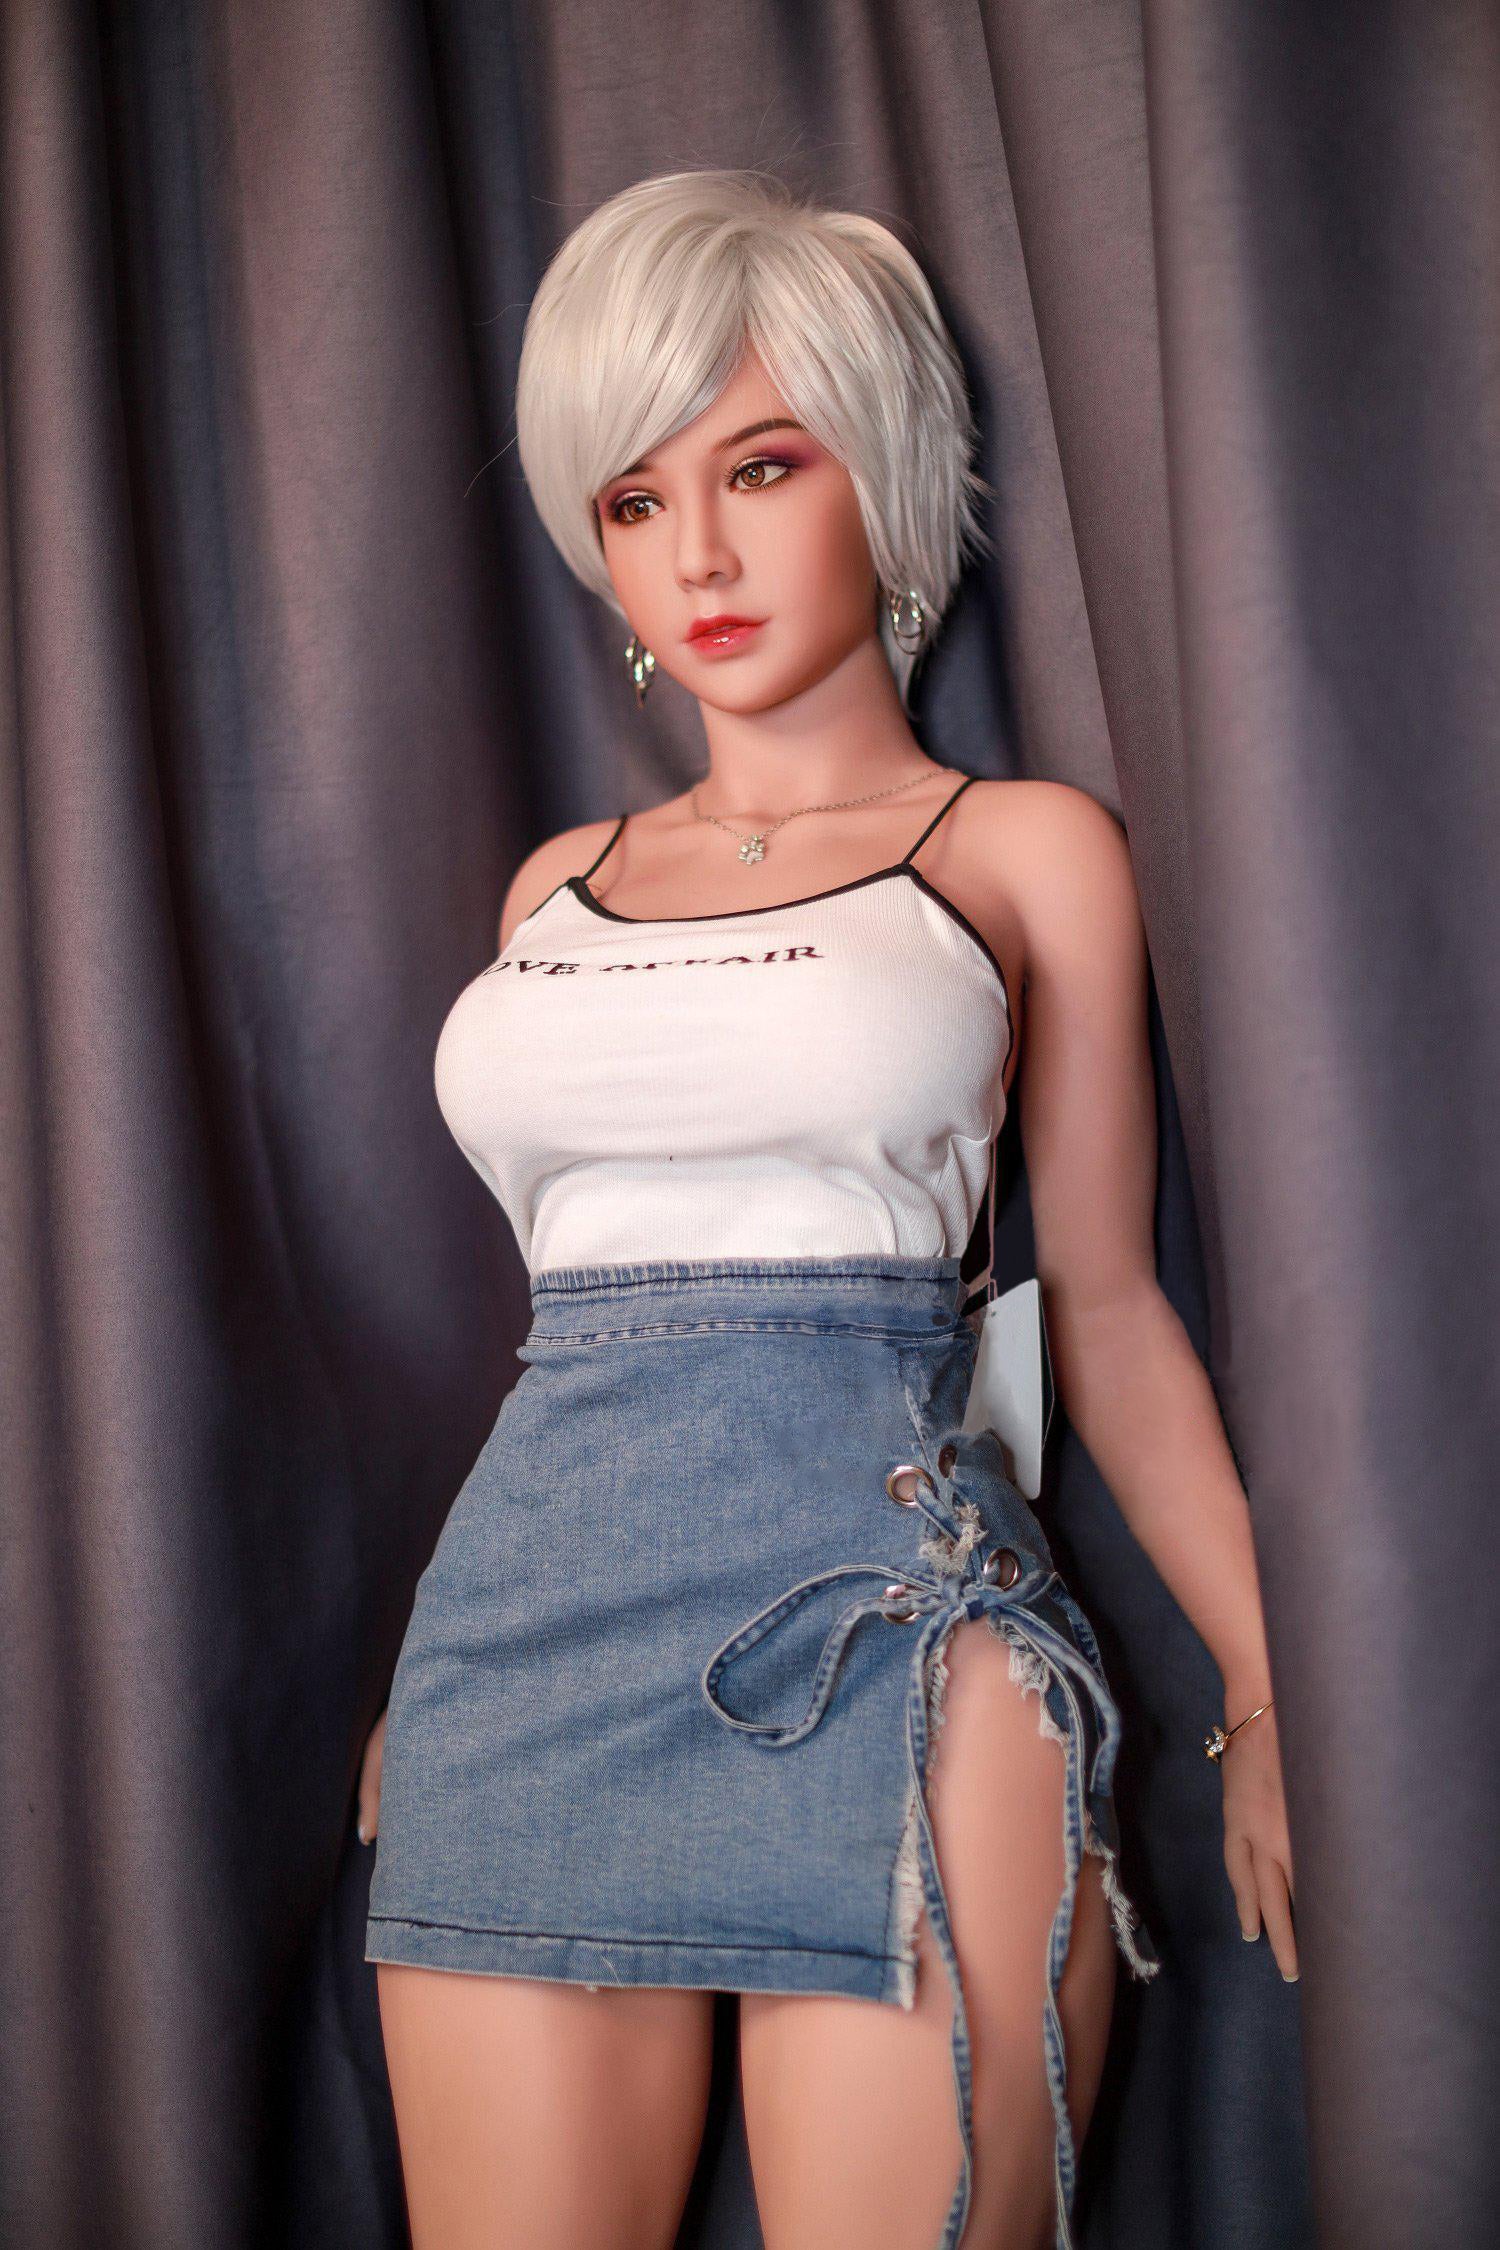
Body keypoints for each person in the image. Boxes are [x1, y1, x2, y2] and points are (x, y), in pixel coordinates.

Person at [357, 168, 1295, 2250]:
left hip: (893, 1636)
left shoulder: (1021, 849)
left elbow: (1108, 1307)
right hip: (519, 1659)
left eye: (762, 466)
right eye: (633, 498)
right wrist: (433, 1672)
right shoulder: (551, 886)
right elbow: (566, 1342)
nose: (696, 552)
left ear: (880, 466)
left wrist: (1268, 1687)